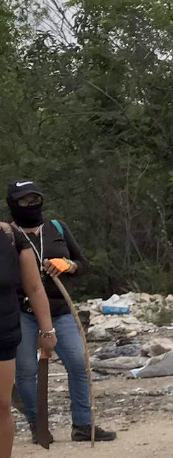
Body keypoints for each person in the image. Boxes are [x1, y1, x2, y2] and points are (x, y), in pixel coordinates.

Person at [7, 181, 116, 443]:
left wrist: (68, 265)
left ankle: (83, 424)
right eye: (24, 201)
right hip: (23, 311)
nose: (31, 206)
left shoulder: (56, 228)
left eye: (35, 200)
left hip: (61, 309)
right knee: (26, 370)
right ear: (13, 204)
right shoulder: (8, 234)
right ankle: (38, 424)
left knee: (78, 363)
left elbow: (83, 264)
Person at [0, 221, 56, 458]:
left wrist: (47, 329)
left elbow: (34, 288)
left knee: (1, 404)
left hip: (4, 331)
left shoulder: (11, 237)